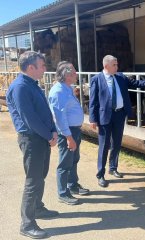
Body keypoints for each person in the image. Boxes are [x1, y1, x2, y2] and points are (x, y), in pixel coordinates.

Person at [89, 55, 145, 187]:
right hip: (105, 117)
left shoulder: (120, 77)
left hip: (119, 115)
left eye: (117, 64)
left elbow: (136, 83)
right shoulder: (96, 80)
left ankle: (113, 168)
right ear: (106, 66)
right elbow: (93, 101)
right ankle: (100, 174)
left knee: (117, 143)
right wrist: (93, 119)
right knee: (104, 146)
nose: (117, 67)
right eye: (114, 65)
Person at [6, 51, 58, 239]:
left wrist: (53, 130)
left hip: (42, 137)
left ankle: (37, 207)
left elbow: (44, 110)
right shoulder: (20, 87)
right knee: (33, 180)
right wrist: (49, 136)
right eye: (42, 66)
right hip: (32, 139)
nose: (45, 69)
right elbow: (30, 119)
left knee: (41, 175)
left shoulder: (32, 85)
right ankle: (27, 224)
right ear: (31, 67)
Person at [48, 61, 90, 205]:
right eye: (73, 71)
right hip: (67, 132)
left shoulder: (66, 88)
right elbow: (59, 118)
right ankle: (62, 193)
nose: (76, 74)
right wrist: (68, 137)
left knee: (73, 160)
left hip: (74, 131)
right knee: (65, 163)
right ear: (66, 74)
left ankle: (72, 185)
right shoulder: (58, 91)